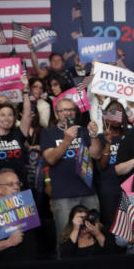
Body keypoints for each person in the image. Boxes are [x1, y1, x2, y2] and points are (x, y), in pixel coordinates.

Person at [40, 98, 103, 238]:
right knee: (66, 237)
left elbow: (97, 154)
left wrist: (93, 135)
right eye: (64, 110)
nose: (68, 113)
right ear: (56, 114)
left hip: (88, 192)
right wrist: (67, 140)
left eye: (71, 109)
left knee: (92, 235)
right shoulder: (48, 133)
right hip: (63, 196)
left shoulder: (84, 131)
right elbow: (51, 159)